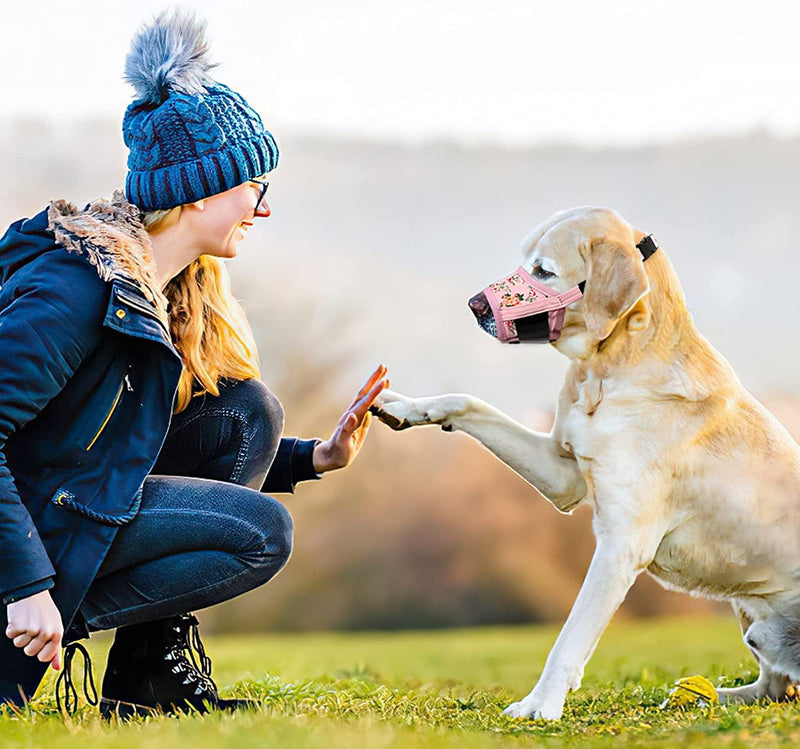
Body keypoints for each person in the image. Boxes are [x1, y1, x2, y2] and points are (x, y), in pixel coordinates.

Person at [0, 10, 387, 717]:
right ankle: (13, 638)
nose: (262, 209)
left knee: (245, 414)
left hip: (69, 500)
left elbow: (125, 445)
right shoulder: (74, 289)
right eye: (255, 186)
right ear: (201, 190)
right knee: (260, 535)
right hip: (29, 533)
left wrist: (314, 460)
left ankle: (151, 671)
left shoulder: (160, 288)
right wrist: (23, 587)